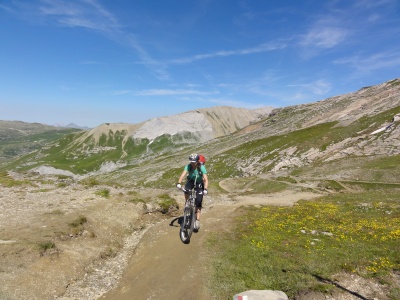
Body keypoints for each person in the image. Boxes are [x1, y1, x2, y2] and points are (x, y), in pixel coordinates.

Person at [176, 153, 208, 230]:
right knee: (186, 190)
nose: (192, 163)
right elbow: (183, 174)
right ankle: (187, 202)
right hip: (190, 181)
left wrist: (206, 189)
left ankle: (197, 220)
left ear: (197, 161)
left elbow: (206, 180)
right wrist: (179, 183)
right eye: (191, 161)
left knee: (198, 201)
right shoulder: (188, 166)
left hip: (199, 182)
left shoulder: (202, 167)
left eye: (194, 161)